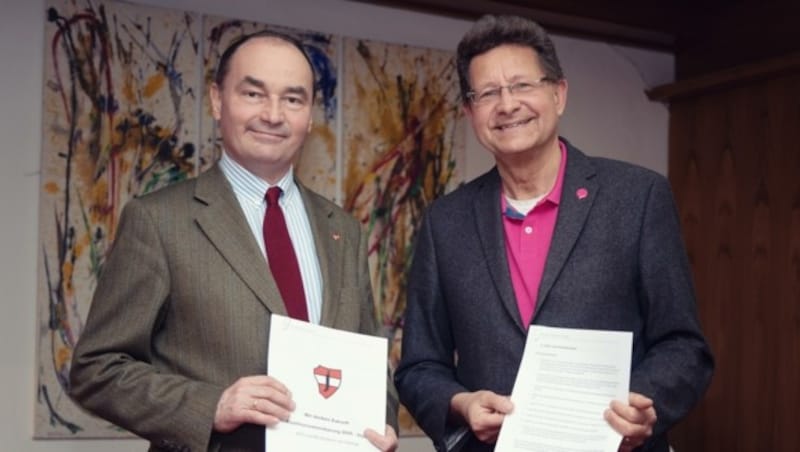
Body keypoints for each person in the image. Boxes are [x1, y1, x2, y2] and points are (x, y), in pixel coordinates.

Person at [394, 14, 713, 452]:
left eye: (523, 85)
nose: (507, 105)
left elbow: (684, 345)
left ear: (558, 94)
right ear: (470, 112)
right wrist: (460, 403)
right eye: (488, 93)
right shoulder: (444, 223)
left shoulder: (638, 198)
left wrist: (644, 406)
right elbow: (418, 367)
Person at [69, 30, 398, 452]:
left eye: (293, 99)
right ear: (217, 100)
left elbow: (372, 363)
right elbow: (96, 370)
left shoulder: (344, 230)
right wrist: (212, 405)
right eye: (254, 94)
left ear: (311, 115)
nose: (273, 114)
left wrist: (380, 422)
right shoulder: (158, 220)